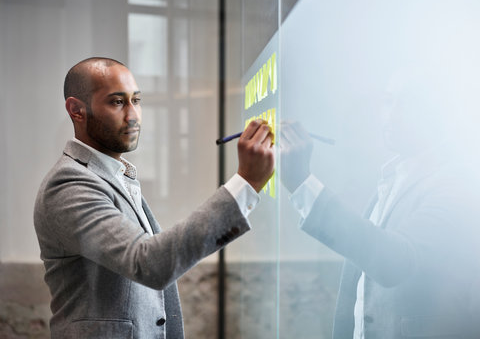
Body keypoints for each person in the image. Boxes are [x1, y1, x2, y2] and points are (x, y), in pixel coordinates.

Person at [34, 57, 274, 339]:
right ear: (77, 110)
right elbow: (149, 263)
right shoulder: (68, 184)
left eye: (136, 100)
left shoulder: (114, 175)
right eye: (117, 102)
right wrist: (246, 182)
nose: (133, 114)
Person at [280, 70, 480, 338]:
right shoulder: (393, 179)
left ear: (438, 113)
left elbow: (393, 261)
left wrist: (303, 184)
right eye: (388, 101)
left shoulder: (455, 185)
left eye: (407, 104)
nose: (391, 115)